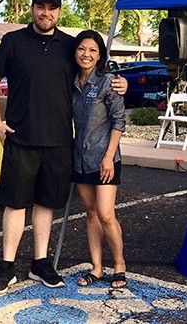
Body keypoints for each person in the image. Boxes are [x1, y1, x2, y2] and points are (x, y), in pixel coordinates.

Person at [0, 0, 126, 294]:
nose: (46, 12)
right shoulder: (13, 42)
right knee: (15, 202)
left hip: (61, 141)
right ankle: (6, 267)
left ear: (59, 11)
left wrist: (121, 81)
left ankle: (40, 264)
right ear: (32, 9)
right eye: (41, 6)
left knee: (47, 203)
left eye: (52, 7)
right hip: (20, 137)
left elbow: (95, 68)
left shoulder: (69, 46)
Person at [70, 30, 127, 289]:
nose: (86, 54)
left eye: (93, 50)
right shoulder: (71, 82)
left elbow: (119, 121)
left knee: (105, 213)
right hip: (80, 159)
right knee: (90, 213)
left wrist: (107, 157)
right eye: (82, 49)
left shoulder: (108, 82)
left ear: (100, 55)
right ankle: (97, 267)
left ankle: (119, 265)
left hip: (105, 159)